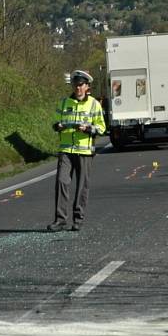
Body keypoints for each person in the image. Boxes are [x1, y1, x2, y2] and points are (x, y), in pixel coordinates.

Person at [47, 70, 107, 232]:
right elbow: (55, 122)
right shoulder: (64, 103)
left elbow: (101, 128)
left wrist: (88, 128)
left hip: (84, 151)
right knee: (61, 181)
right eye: (75, 85)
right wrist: (58, 126)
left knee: (82, 186)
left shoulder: (94, 104)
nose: (77, 88)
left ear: (87, 86)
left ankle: (78, 219)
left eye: (80, 85)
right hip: (66, 150)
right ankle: (60, 220)